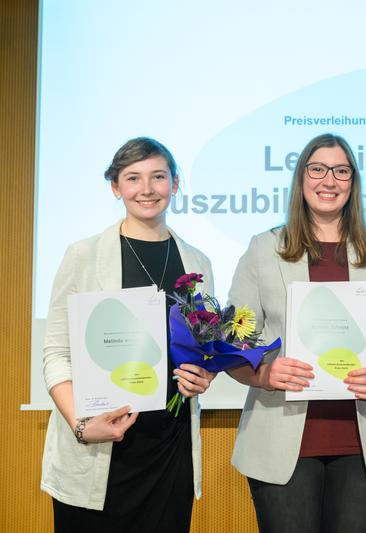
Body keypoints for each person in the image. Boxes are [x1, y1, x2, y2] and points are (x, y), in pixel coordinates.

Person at [226, 133, 366, 533]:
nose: (329, 180)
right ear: (301, 179)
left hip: (359, 443)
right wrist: (264, 375)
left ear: (353, 182)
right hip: (281, 440)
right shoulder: (264, 249)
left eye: (341, 171)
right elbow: (234, 346)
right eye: (318, 169)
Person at [40, 137, 216, 532]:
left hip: (169, 449)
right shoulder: (83, 256)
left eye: (158, 176)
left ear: (175, 183)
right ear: (116, 187)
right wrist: (83, 426)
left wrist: (204, 373)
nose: (147, 189)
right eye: (133, 178)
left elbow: (201, 349)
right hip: (102, 442)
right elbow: (55, 352)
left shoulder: (198, 261)